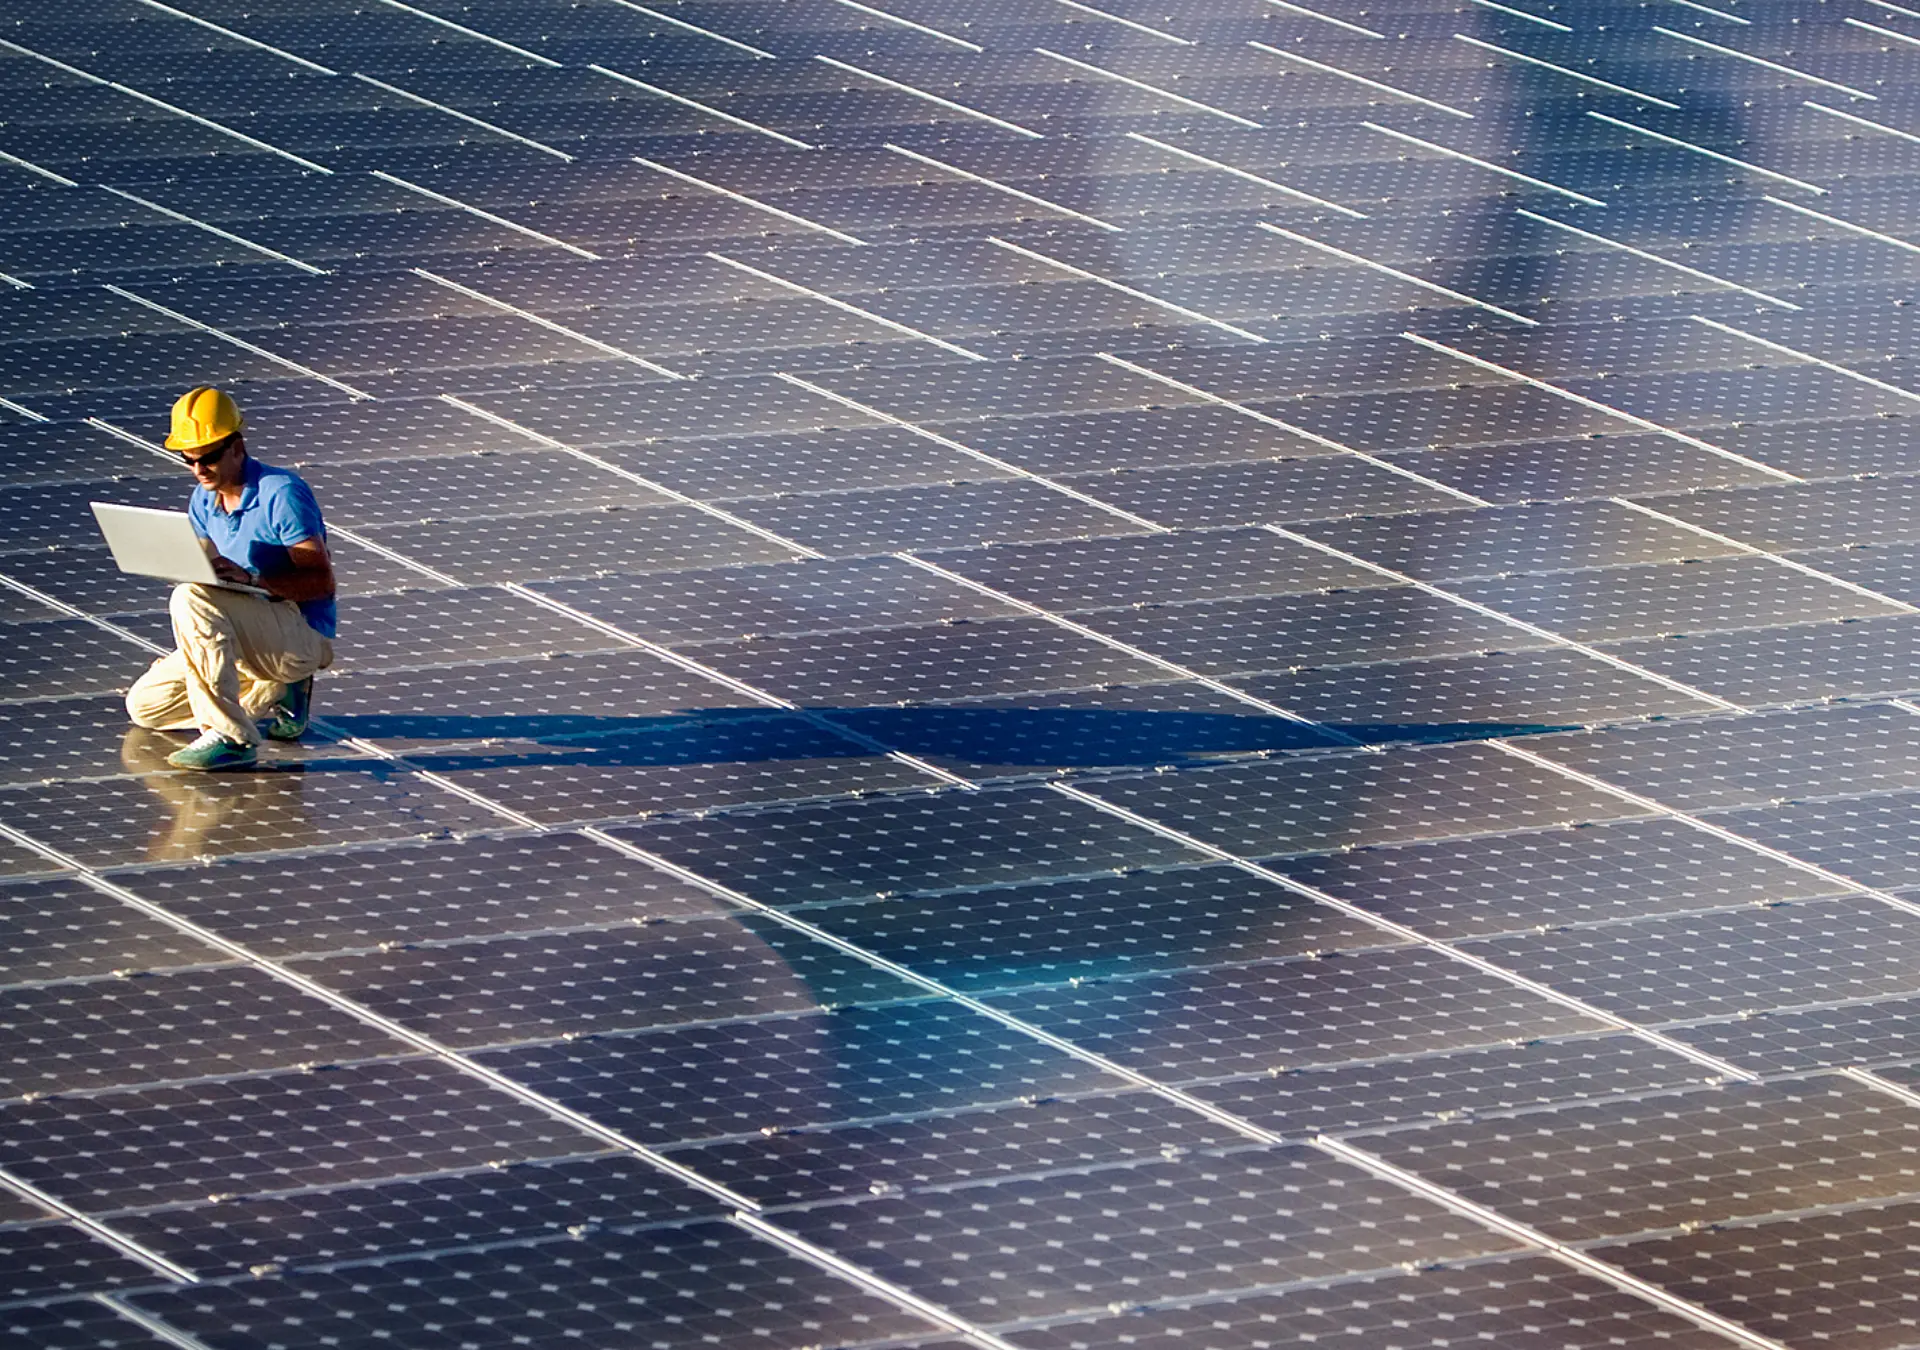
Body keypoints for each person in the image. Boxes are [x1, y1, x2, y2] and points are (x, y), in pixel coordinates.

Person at [125, 386, 337, 771]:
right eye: (188, 459)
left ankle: (232, 737)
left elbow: (321, 583)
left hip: (295, 637)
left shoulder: (282, 493)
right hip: (240, 637)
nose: (198, 469)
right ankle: (273, 693)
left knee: (188, 598)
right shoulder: (203, 500)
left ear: (237, 447)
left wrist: (254, 580)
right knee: (145, 707)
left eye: (208, 457)